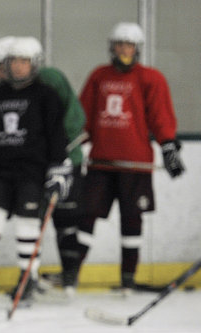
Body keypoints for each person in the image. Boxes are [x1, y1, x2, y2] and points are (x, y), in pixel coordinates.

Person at [0, 36, 71, 307]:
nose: (18, 67)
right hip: (1, 171)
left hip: (33, 172)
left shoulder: (47, 96)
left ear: (34, 64)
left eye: (24, 61)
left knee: (28, 224)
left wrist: (58, 168)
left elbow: (57, 136)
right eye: (13, 61)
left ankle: (27, 280)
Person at [76, 22, 185, 292]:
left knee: (132, 219)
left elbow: (160, 117)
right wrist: (67, 145)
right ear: (111, 47)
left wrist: (168, 146)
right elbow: (84, 118)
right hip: (101, 162)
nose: (124, 49)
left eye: (129, 45)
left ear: (137, 49)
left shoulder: (151, 78)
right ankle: (71, 272)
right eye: (119, 44)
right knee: (86, 215)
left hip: (136, 165)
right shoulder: (99, 76)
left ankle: (128, 278)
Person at [0, 36, 87, 297]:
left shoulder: (48, 79)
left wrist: (59, 156)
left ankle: (69, 277)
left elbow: (72, 119)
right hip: (40, 164)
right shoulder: (6, 91)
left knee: (64, 219)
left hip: (63, 161)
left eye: (0, 65)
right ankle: (30, 278)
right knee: (33, 221)